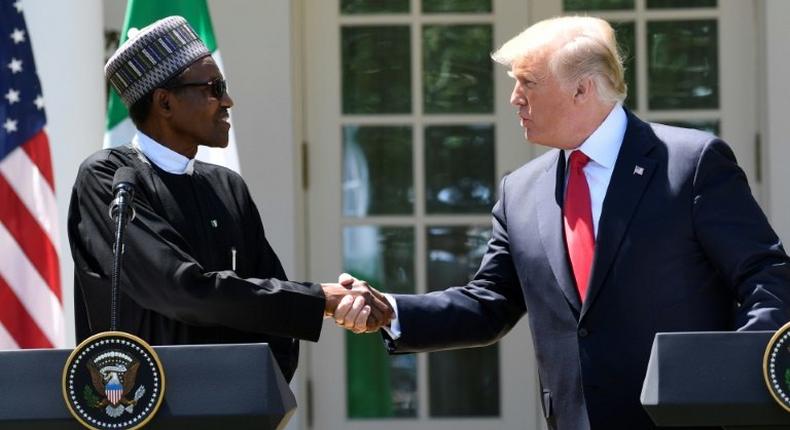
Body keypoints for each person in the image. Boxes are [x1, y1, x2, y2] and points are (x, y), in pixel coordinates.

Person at [333, 16, 790, 429]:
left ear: (582, 89)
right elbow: (490, 303)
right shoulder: (521, 190)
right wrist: (392, 312)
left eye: (527, 82)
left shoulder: (690, 163)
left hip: (686, 417)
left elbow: (765, 276)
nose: (514, 98)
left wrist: (739, 373)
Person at [67, 16, 392, 382]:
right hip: (144, 407)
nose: (227, 100)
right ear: (165, 102)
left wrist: (259, 393)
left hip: (232, 408)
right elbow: (179, 289)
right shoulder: (110, 178)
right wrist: (322, 299)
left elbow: (274, 315)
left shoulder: (226, 186)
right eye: (213, 87)